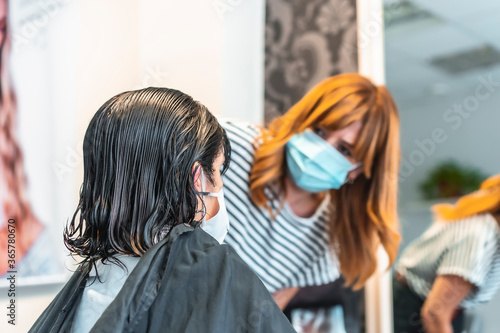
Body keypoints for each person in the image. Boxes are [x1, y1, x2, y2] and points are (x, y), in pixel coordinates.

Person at [29, 87, 295, 333]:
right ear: (197, 179)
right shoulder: (215, 272)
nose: (221, 183)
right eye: (217, 169)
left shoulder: (93, 278)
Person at [221, 73, 401, 308]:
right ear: (303, 119)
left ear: (359, 171)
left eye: (345, 150)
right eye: (319, 131)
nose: (321, 150)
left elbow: (262, 316)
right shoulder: (229, 146)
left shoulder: (329, 243)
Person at [393, 174, 500, 333]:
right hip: (413, 311)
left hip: (442, 311)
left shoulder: (488, 228)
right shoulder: (478, 237)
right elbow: (434, 314)